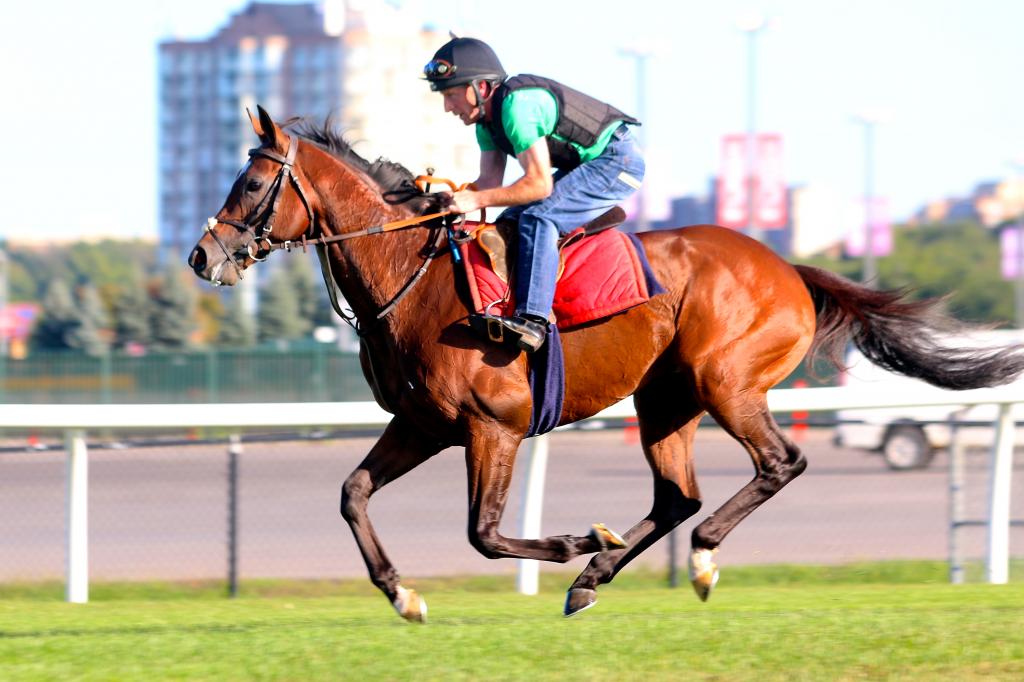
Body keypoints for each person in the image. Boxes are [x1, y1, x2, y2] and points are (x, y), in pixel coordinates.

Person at [423, 37, 645, 352]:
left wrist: (475, 200)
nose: (448, 107)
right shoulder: (485, 125)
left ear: (481, 88)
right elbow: (488, 184)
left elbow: (539, 185)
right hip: (587, 165)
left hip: (616, 162)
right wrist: (450, 199)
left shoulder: (517, 107)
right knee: (510, 218)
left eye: (452, 94)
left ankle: (533, 322)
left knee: (539, 218)